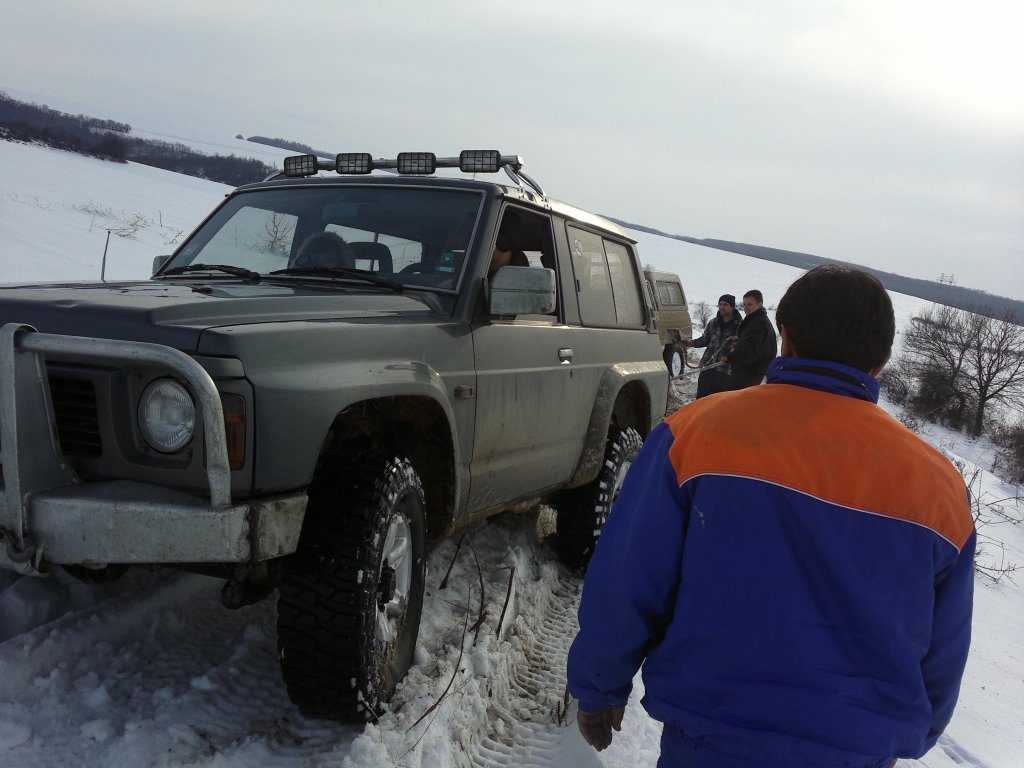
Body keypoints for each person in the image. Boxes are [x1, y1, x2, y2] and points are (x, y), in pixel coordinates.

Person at [568, 265, 975, 768]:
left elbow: (629, 576)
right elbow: (943, 651)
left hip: (709, 744)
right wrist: (897, 735)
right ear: (883, 361)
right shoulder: (940, 488)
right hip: (856, 751)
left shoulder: (693, 436)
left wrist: (599, 684)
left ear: (784, 336)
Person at [682, 295, 741, 398]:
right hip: (707, 367)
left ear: (732, 306)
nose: (722, 307)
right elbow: (704, 339)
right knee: (701, 400)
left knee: (718, 403)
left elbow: (742, 349)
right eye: (720, 304)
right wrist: (690, 343)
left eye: (725, 305)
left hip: (725, 371)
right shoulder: (713, 322)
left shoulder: (741, 326)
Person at [723, 289, 777, 389]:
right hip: (754, 374)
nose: (746, 308)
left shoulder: (757, 323)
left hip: (749, 375)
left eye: (749, 304)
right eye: (744, 304)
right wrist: (740, 341)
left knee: (733, 402)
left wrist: (730, 357)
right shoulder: (759, 320)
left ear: (759, 305)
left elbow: (750, 351)